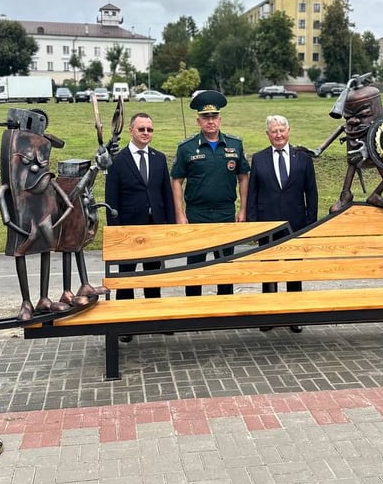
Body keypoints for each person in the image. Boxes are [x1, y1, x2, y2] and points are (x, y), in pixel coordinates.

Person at [171, 90, 250, 296]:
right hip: (197, 213)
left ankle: (224, 305)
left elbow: (243, 177)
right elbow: (177, 180)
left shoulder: (235, 144)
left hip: (225, 212)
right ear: (198, 121)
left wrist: (243, 209)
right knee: (195, 265)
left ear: (220, 119)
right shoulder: (187, 148)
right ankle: (193, 305)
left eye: (214, 117)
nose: (210, 121)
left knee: (225, 264)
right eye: (205, 117)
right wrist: (180, 214)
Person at [247, 114, 318, 322]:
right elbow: (252, 193)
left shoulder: (303, 158)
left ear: (288, 131)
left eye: (281, 130)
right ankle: (269, 315)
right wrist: (253, 226)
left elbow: (311, 193)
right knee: (269, 271)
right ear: (267, 134)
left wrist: (310, 225)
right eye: (274, 131)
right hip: (267, 225)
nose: (278, 135)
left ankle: (294, 316)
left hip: (296, 224)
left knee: (293, 270)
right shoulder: (259, 158)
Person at [104, 111, 176, 299]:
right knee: (126, 276)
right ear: (131, 130)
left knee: (153, 275)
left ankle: (153, 310)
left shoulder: (159, 158)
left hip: (155, 225)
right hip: (128, 227)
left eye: (149, 130)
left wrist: (169, 225)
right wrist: (116, 230)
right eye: (141, 129)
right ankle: (125, 313)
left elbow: (166, 194)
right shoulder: (118, 160)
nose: (146, 133)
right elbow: (111, 198)